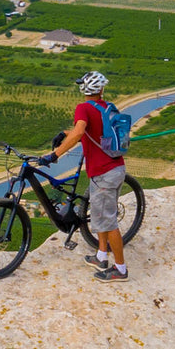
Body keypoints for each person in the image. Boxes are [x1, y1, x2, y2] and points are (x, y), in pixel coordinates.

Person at [40, 70, 129, 282]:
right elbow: (92, 131)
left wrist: (55, 154)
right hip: (115, 168)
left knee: (108, 221)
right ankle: (100, 256)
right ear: (101, 89)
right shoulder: (106, 107)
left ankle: (121, 269)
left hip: (104, 173)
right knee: (100, 216)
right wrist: (65, 134)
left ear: (83, 89)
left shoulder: (83, 108)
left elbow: (80, 131)